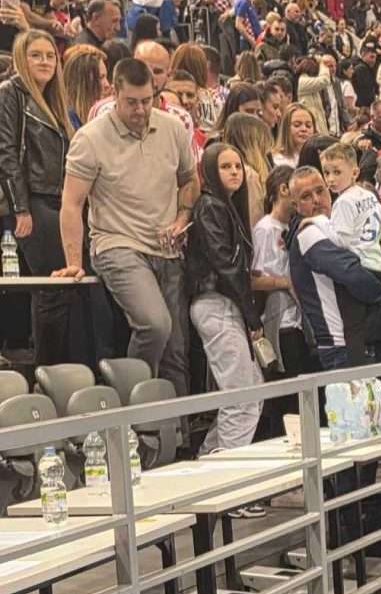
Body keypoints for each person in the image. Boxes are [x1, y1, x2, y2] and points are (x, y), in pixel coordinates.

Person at [55, 57, 196, 400]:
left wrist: (182, 217)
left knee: (176, 349)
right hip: (116, 244)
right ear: (114, 93)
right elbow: (71, 203)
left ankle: (173, 427)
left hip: (167, 246)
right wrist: (73, 261)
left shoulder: (173, 128)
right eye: (131, 102)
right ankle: (128, 405)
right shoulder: (91, 138)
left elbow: (190, 180)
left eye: (147, 100)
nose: (140, 109)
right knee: (155, 324)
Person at [0, 30, 74, 363]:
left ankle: (54, 369)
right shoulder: (10, 92)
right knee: (52, 288)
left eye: (50, 56)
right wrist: (20, 208)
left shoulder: (53, 101)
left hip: (56, 201)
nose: (45, 62)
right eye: (36, 55)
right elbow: (6, 152)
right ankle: (48, 371)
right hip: (32, 201)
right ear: (21, 59)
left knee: (58, 290)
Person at [186, 142, 263, 455]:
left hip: (224, 303)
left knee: (251, 392)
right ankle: (228, 474)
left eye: (237, 166)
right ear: (209, 171)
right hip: (216, 303)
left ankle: (208, 460)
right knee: (242, 398)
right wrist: (251, 315)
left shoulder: (224, 206)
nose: (234, 172)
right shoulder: (211, 206)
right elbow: (224, 264)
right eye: (225, 166)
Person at [285, 165, 381, 370]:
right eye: (306, 196)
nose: (316, 199)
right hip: (342, 346)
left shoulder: (334, 226)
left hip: (357, 339)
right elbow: (350, 272)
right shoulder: (308, 233)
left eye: (320, 191)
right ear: (295, 206)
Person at [251, 163, 316, 431]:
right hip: (280, 318)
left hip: (300, 319)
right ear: (283, 190)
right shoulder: (266, 228)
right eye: (300, 192)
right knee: (287, 394)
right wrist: (285, 282)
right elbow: (254, 278)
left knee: (303, 391)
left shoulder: (296, 226)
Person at [321, 140, 381, 364]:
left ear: (354, 172)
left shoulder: (343, 202)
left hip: (359, 271)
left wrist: (322, 229)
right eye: (326, 172)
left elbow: (341, 241)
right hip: (378, 267)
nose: (330, 179)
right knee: (375, 327)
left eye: (337, 172)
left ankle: (361, 369)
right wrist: (369, 239)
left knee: (357, 332)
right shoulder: (367, 195)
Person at [62, 43, 110, 128]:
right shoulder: (68, 120)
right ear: (83, 82)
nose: (107, 84)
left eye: (106, 77)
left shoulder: (102, 113)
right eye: (100, 78)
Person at [274, 102, 315, 167]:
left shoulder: (320, 158)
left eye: (308, 125)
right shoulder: (276, 161)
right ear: (286, 128)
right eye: (297, 125)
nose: (304, 129)